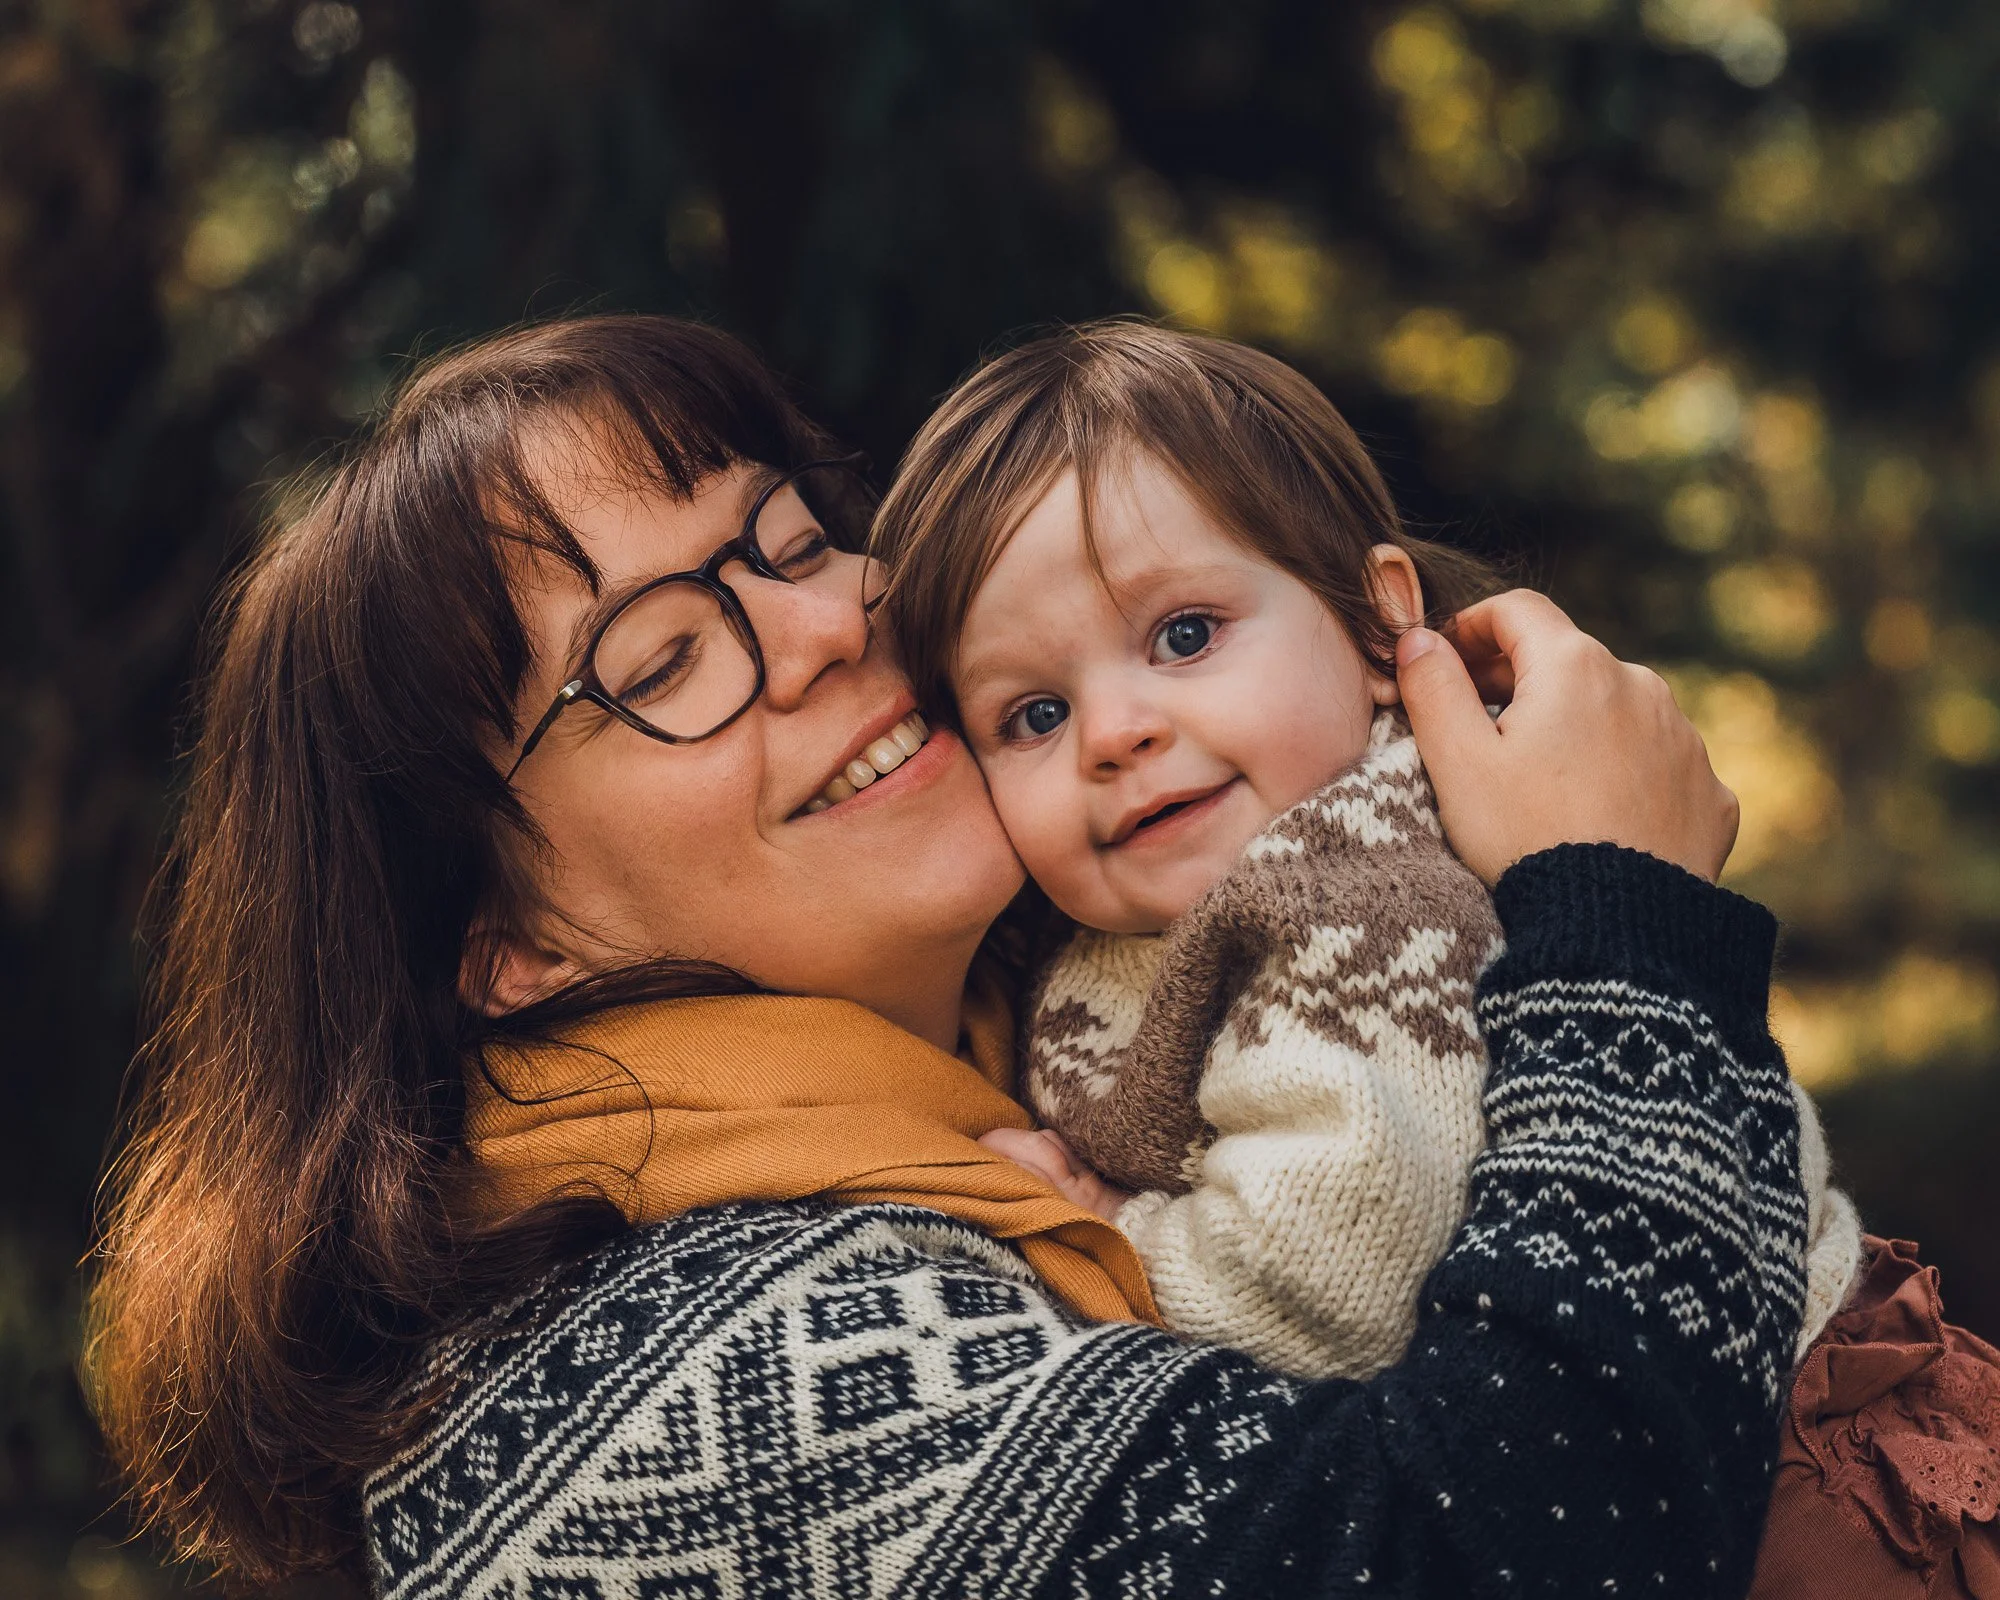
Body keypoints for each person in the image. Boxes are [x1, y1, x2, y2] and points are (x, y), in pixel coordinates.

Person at [86, 315, 1805, 1599]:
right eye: (667, 654)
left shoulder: (1054, 1059)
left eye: (785, 539)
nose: (839, 620)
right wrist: (1620, 918)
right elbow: (1548, 1546)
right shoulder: (651, 1384)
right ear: (502, 947)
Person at [870, 319, 1861, 1381]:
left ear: (1374, 618)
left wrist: (1102, 1229)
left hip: (1792, 1441)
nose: (1113, 734)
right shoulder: (1118, 917)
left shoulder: (1364, 887)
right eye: (1032, 714)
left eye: (1185, 634)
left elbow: (1346, 1283)